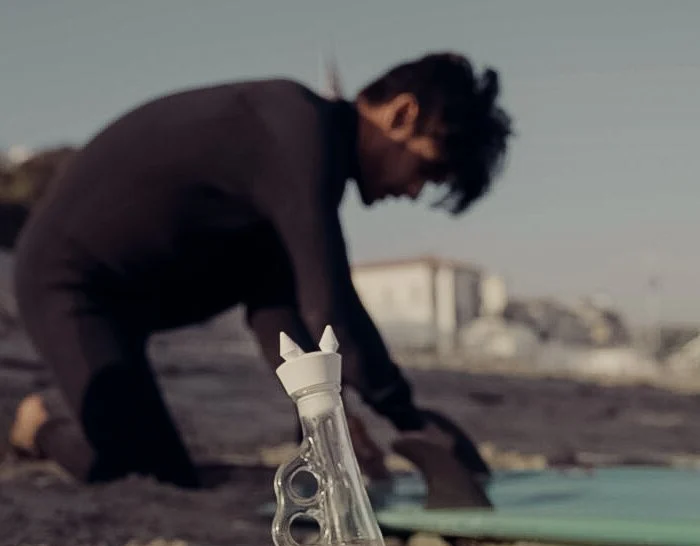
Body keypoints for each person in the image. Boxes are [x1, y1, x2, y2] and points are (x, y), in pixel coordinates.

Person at [9, 53, 512, 490]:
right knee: (147, 474)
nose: (413, 192)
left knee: (169, 468)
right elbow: (330, 305)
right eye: (426, 171)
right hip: (71, 283)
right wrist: (409, 417)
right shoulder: (297, 128)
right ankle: (37, 427)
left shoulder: (297, 171)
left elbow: (280, 307)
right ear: (403, 114)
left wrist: (323, 425)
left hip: (139, 294)